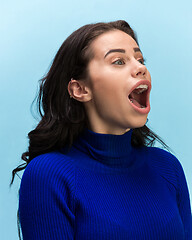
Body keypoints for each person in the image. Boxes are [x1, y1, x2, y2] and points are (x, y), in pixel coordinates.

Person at [11, 20, 192, 239]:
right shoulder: (49, 175)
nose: (140, 68)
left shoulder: (167, 167)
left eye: (140, 59)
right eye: (118, 61)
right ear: (80, 89)